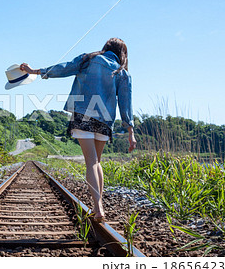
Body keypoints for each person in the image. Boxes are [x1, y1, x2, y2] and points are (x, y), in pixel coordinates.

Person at [20, 37, 137, 222]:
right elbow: (126, 105)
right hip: (105, 121)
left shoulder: (89, 59)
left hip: (83, 114)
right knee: (97, 162)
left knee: (90, 162)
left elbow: (63, 68)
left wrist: (35, 71)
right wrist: (130, 132)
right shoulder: (123, 73)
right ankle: (98, 206)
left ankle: (98, 208)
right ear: (122, 54)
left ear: (105, 48)